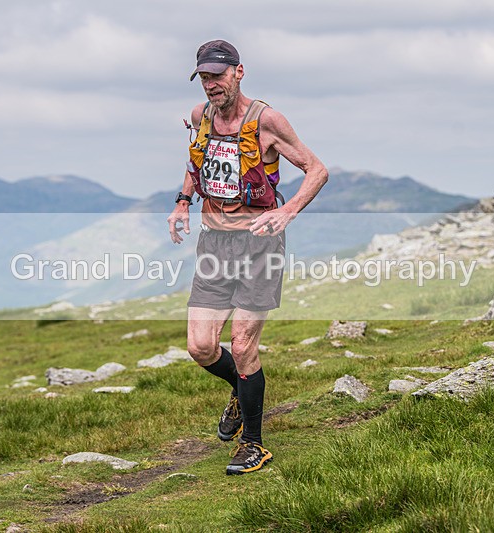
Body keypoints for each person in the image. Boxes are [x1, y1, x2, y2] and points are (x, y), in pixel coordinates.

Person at [167, 40, 328, 475]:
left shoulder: (267, 121)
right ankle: (241, 389)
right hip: (214, 245)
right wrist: (183, 201)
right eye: (204, 77)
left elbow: (317, 169)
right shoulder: (201, 116)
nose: (211, 84)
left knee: (241, 345)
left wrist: (287, 210)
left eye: (218, 75)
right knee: (200, 346)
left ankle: (255, 445)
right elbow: (195, 161)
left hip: (258, 245)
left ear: (239, 72)